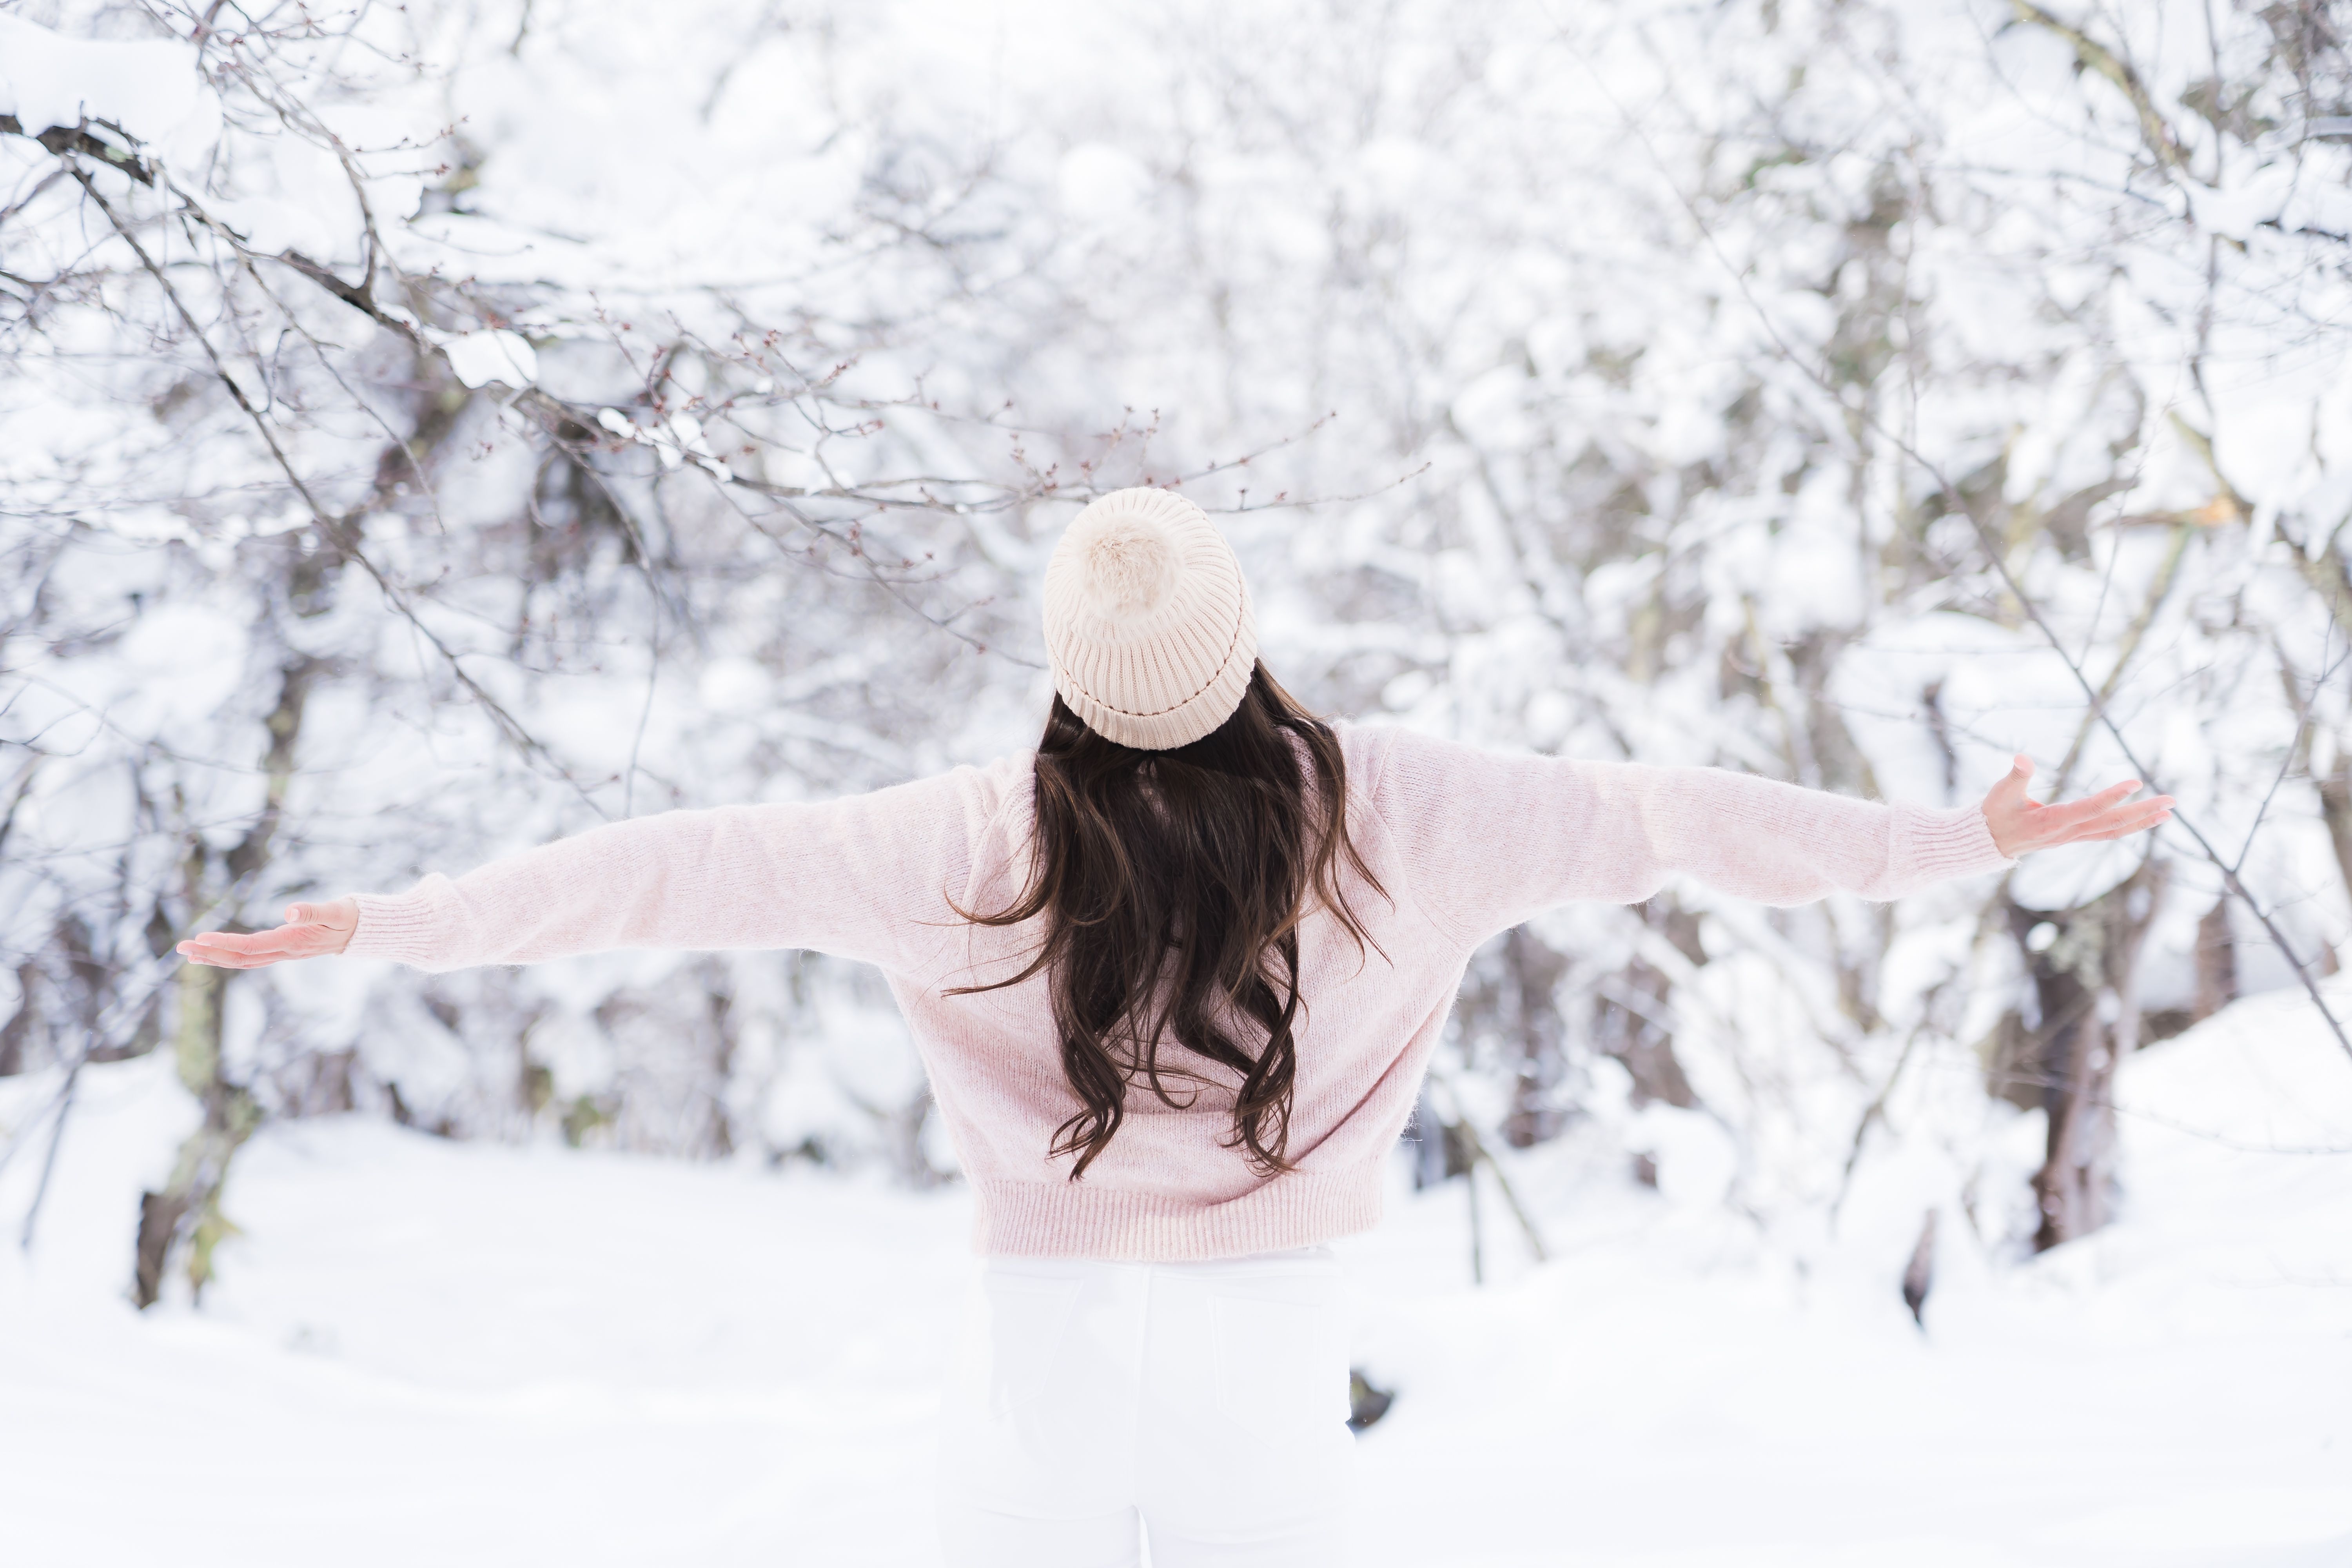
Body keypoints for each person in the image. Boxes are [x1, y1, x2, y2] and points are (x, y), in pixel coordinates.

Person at [180, 487, 2171, 1566]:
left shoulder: (960, 840)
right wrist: (1950, 838)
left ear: (1068, 673)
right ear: (1241, 644)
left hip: (1033, 1350)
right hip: (1268, 1340)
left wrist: (399, 924)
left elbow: (676, 870)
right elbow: (1670, 820)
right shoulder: (1406, 809)